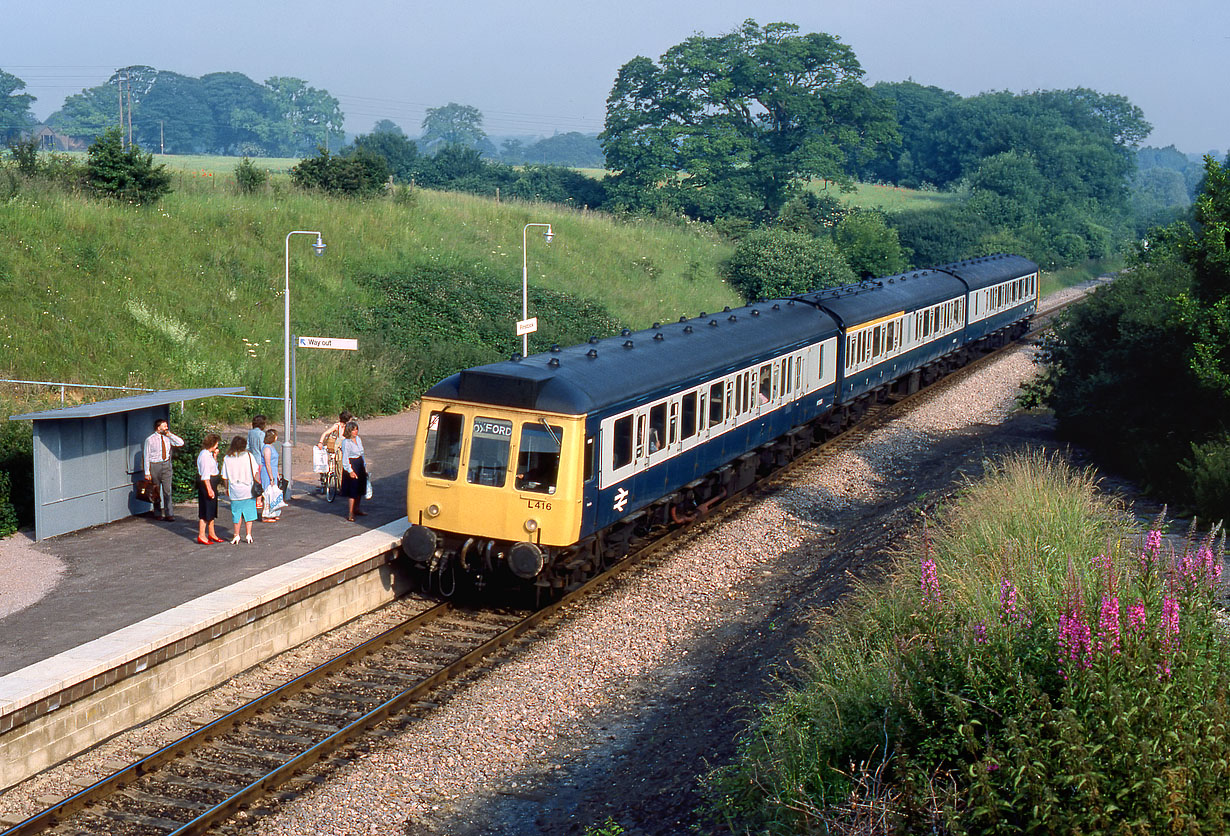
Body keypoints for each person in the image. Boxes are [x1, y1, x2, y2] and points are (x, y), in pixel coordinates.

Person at [220, 436, 261, 544]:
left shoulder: (227, 458)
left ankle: (236, 535)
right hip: (248, 488)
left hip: (234, 489)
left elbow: (225, 476)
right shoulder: (248, 456)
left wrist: (226, 488)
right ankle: (248, 535)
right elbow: (255, 471)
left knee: (236, 513)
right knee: (249, 513)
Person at [143, 418, 184, 521]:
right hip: (155, 465)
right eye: (164, 426)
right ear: (158, 427)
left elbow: (180, 443)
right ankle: (157, 513)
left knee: (167, 490)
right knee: (156, 490)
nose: (166, 428)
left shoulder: (167, 438)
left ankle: (169, 513)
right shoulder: (150, 440)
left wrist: (170, 435)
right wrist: (147, 471)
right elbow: (146, 456)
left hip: (166, 465)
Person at [196, 434, 224, 545]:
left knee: (211, 510)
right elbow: (205, 474)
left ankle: (212, 533)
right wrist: (209, 489)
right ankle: (201, 535)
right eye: (216, 443)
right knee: (206, 510)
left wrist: (215, 456)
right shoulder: (204, 456)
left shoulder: (209, 455)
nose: (217, 446)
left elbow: (214, 467)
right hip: (208, 484)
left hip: (212, 483)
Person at [317, 410, 353, 493]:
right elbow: (325, 433)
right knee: (340, 468)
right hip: (339, 451)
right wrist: (320, 442)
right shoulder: (337, 426)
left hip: (346, 450)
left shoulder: (348, 427)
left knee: (347, 468)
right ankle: (341, 487)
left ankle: (346, 486)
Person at [339, 420, 368, 522]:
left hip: (359, 463)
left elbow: (361, 454)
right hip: (352, 464)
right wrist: (350, 471)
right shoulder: (346, 442)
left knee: (360, 487)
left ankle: (357, 508)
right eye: (353, 430)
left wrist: (364, 466)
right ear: (349, 431)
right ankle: (350, 512)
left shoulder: (358, 439)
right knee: (353, 489)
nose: (356, 432)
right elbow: (345, 458)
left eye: (356, 430)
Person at [260, 428, 283, 522]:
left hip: (273, 471)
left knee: (274, 493)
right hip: (267, 473)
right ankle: (265, 515)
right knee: (268, 493)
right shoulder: (267, 448)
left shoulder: (271, 447)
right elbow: (268, 464)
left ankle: (273, 512)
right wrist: (271, 477)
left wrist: (276, 473)